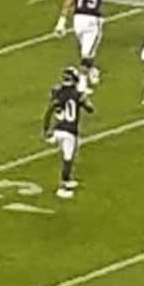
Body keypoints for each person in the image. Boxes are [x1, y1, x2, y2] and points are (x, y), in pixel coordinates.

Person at [43, 64, 83, 199]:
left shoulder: (58, 92)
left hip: (58, 128)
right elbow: (90, 108)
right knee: (68, 159)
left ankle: (67, 180)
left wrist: (46, 128)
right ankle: (62, 187)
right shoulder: (77, 95)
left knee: (69, 157)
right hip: (70, 131)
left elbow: (50, 108)